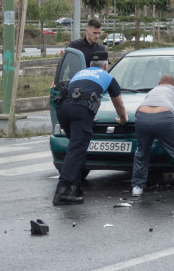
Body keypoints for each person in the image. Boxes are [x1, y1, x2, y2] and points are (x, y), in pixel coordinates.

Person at [53, 51, 128, 205]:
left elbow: (78, 93)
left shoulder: (80, 73)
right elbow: (119, 104)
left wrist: (86, 116)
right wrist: (123, 119)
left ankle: (75, 187)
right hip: (79, 110)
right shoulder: (108, 77)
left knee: (76, 149)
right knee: (76, 150)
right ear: (105, 66)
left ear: (89, 65)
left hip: (62, 109)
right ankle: (62, 191)